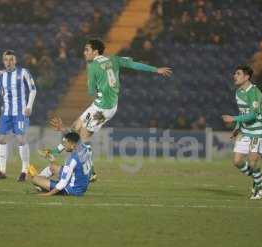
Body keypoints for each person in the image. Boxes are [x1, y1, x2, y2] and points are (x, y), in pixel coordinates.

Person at [41, 39, 172, 180]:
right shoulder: (114, 58)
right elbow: (133, 64)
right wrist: (156, 69)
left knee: (82, 139)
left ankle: (91, 172)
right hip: (104, 105)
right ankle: (55, 151)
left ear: (95, 51)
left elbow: (91, 90)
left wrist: (95, 86)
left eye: (87, 50)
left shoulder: (92, 66)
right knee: (75, 127)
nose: (84, 53)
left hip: (102, 108)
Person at [0, 50, 37, 181]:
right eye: (6, 60)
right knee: (2, 139)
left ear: (15, 61)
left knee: (21, 140)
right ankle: (2, 171)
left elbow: (33, 90)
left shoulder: (23, 72)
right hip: (6, 112)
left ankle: (24, 171)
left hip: (20, 112)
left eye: (11, 59)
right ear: (3, 61)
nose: (8, 62)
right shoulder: (0, 75)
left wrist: (29, 106)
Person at [222, 65, 262, 200]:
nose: (234, 76)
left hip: (257, 131)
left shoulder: (254, 92)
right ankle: (258, 177)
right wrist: (237, 128)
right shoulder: (238, 92)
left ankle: (260, 188)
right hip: (245, 131)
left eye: (238, 74)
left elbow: (253, 115)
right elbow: (243, 113)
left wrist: (233, 118)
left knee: (252, 163)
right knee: (237, 162)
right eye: (235, 73)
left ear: (247, 77)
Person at [28, 132, 92, 196]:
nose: (64, 145)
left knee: (35, 179)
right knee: (52, 167)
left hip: (72, 190)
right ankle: (41, 186)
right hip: (82, 185)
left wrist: (47, 194)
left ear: (72, 144)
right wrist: (52, 157)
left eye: (66, 143)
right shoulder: (85, 148)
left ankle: (42, 186)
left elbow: (63, 182)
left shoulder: (72, 160)